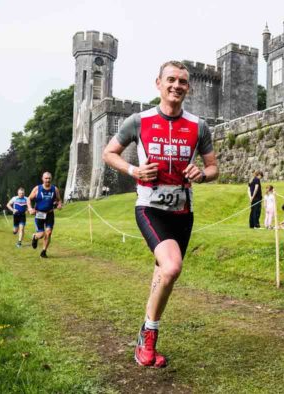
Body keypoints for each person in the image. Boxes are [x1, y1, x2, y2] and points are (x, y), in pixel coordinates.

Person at [102, 60, 218, 369]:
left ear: (188, 87)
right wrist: (134, 170)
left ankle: (146, 332)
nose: (176, 85)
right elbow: (108, 153)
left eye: (182, 81)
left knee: (162, 272)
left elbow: (213, 167)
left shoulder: (198, 125)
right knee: (171, 268)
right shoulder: (139, 121)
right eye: (171, 80)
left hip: (183, 211)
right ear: (158, 83)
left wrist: (202, 174)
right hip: (150, 208)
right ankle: (148, 335)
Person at [27, 172, 62, 258]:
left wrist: (59, 204)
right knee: (41, 234)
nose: (47, 180)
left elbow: (59, 200)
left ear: (51, 179)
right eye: (46, 178)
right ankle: (35, 237)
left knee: (49, 232)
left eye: (49, 178)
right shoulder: (37, 188)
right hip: (39, 214)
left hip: (50, 213)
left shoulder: (55, 189)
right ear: (42, 179)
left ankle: (43, 252)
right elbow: (29, 198)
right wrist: (30, 208)